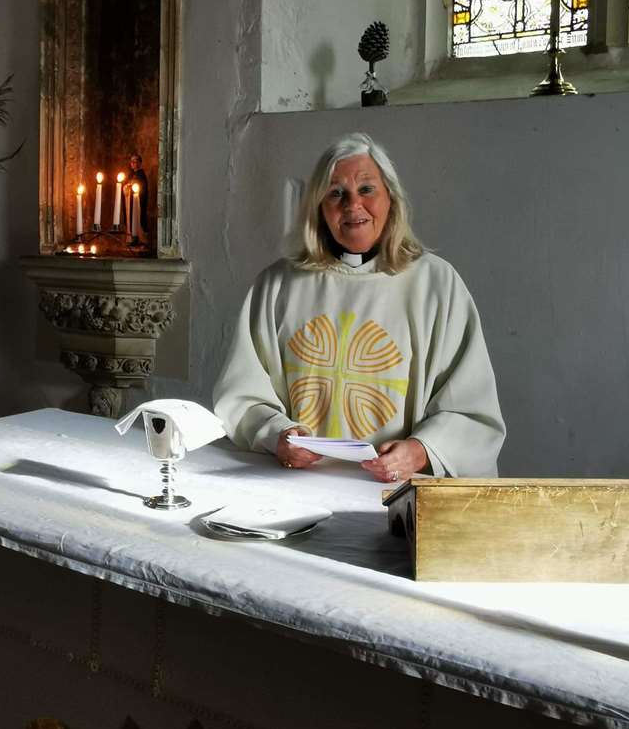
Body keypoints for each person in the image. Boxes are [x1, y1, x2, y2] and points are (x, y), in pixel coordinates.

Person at [212, 133, 505, 483]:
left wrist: (420, 450)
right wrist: (279, 435)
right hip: (294, 488)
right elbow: (241, 395)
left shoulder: (436, 285)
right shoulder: (279, 285)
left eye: (366, 190)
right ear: (319, 208)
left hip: (394, 491)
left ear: (391, 199)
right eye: (336, 193)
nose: (353, 205)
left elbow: (471, 409)